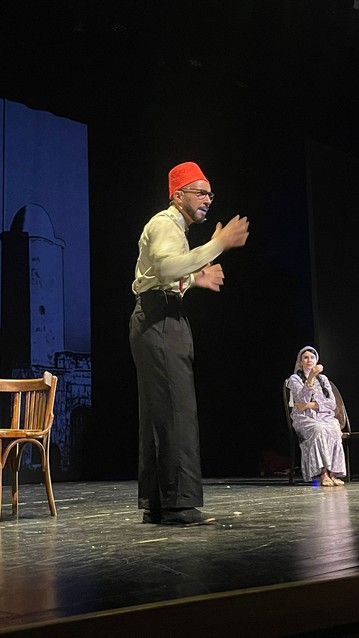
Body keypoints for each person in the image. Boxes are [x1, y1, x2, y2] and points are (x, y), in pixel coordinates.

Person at [130, 161, 250, 526]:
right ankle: (178, 505)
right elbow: (167, 269)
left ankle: (158, 503)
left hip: (159, 316)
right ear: (178, 195)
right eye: (201, 193)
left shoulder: (175, 228)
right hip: (160, 320)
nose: (208, 200)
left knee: (160, 413)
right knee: (176, 410)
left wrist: (196, 279)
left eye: (211, 194)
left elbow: (165, 275)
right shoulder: (165, 223)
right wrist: (218, 244)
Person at [286, 346, 347, 486]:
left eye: (312, 357)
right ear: (300, 361)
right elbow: (301, 399)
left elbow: (331, 404)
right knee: (318, 430)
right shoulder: (295, 379)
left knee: (334, 429)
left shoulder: (323, 379)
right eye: (305, 357)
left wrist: (310, 405)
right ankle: (322, 473)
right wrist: (311, 377)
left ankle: (333, 473)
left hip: (325, 416)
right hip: (304, 418)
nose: (309, 360)